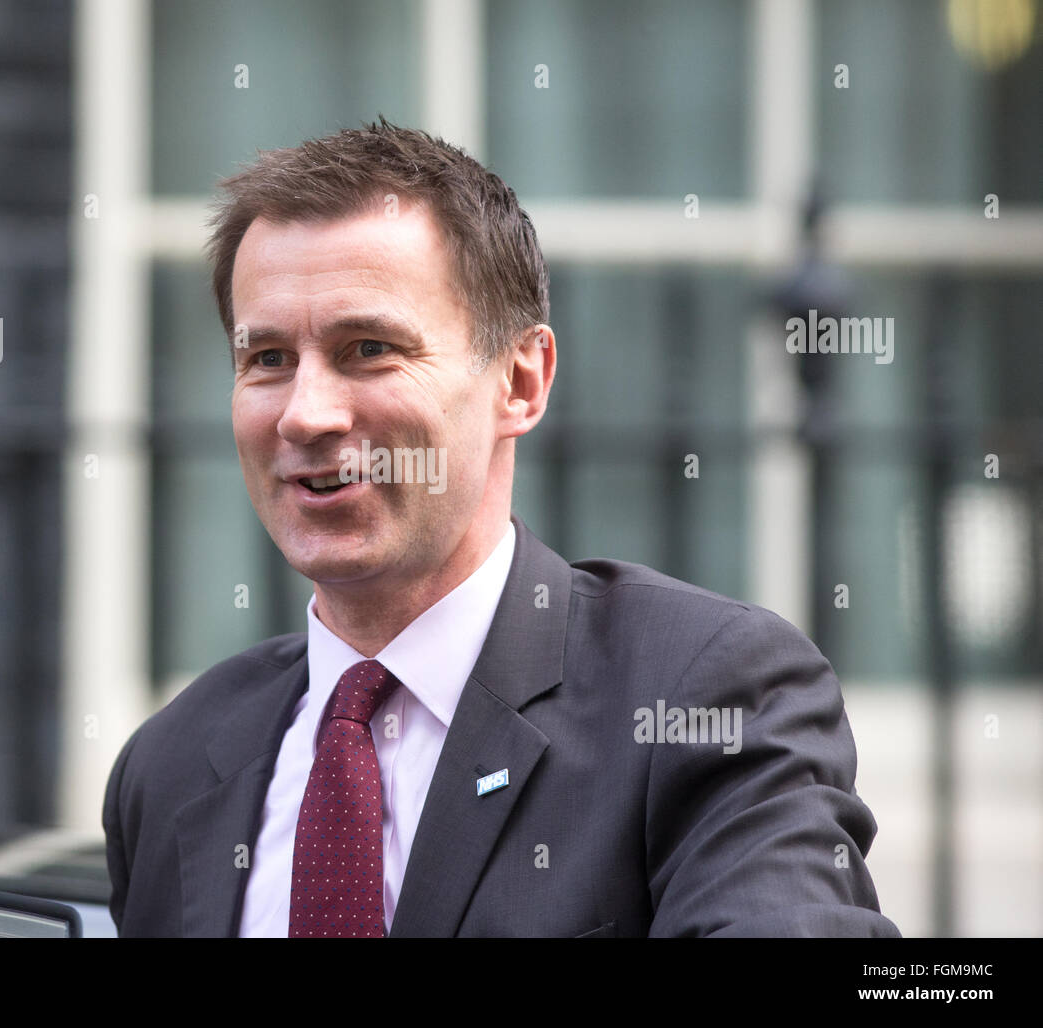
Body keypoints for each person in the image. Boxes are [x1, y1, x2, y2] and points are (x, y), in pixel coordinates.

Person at [103, 117, 899, 938]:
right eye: (267, 359)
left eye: (369, 348)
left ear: (521, 380)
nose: (306, 413)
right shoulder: (170, 764)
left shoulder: (703, 696)